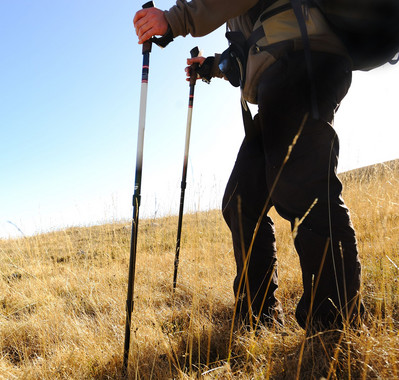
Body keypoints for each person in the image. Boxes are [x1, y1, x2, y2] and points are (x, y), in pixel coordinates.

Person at [134, 0, 364, 331]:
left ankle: (333, 328)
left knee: (303, 190)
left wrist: (173, 20)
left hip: (303, 64)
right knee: (240, 201)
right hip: (279, 81)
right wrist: (209, 67)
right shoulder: (243, 17)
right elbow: (244, 55)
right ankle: (259, 319)